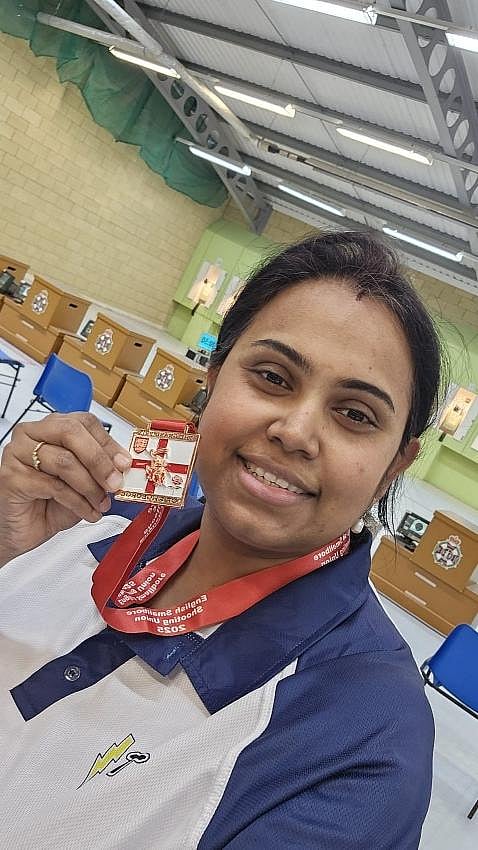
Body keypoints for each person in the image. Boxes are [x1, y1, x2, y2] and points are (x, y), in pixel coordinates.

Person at [0, 232, 441, 849]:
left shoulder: (362, 739)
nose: (294, 432)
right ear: (212, 379)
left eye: (355, 414)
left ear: (394, 465)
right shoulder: (85, 522)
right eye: (272, 376)